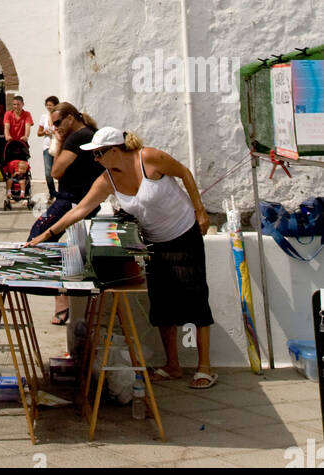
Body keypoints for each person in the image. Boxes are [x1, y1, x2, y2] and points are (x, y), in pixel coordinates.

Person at [30, 126, 216, 387]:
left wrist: (200, 211)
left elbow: (184, 173)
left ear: (114, 150)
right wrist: (47, 234)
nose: (95, 160)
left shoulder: (149, 157)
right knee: (162, 305)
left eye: (98, 154)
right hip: (155, 242)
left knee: (194, 299)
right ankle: (172, 365)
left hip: (184, 234)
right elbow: (81, 209)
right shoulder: (107, 179)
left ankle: (204, 367)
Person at [26, 102, 102, 324]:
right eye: (52, 123)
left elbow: (57, 171)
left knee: (37, 241)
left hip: (70, 200)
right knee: (73, 251)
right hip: (82, 201)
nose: (55, 127)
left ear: (71, 118)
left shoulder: (77, 137)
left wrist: (59, 140)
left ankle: (62, 302)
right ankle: (66, 303)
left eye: (58, 122)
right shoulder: (88, 133)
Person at [36, 96, 59, 199]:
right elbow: (38, 133)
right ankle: (52, 193)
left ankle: (62, 192)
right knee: (48, 172)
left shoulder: (59, 116)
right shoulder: (44, 117)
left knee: (60, 171)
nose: (49, 107)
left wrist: (56, 131)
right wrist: (44, 132)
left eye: (51, 105)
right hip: (47, 146)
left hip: (58, 146)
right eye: (47, 105)